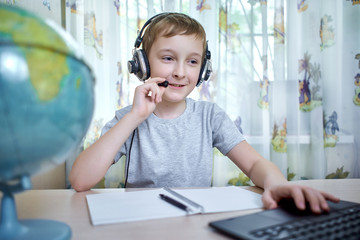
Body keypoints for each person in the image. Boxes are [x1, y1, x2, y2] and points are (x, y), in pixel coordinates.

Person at [70, 12, 339, 213]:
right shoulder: (128, 119)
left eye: (192, 61)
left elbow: (255, 165)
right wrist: (134, 117)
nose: (179, 71)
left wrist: (277, 184)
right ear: (141, 64)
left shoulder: (210, 116)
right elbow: (80, 180)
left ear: (203, 70)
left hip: (194, 222)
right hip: (144, 222)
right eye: (167, 58)